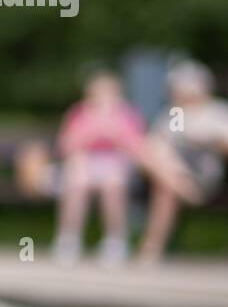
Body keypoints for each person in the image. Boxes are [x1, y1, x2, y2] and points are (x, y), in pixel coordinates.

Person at [51, 70, 147, 265]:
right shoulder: (78, 113)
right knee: (77, 182)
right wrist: (90, 133)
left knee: (112, 184)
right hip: (84, 163)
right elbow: (65, 147)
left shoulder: (128, 115)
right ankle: (69, 239)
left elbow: (138, 149)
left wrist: (115, 133)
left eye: (108, 93)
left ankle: (116, 241)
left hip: (117, 164)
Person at [136, 60, 228, 263]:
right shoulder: (176, 113)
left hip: (205, 174)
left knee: (164, 187)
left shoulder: (217, 111)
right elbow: (170, 142)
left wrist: (207, 140)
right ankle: (185, 189)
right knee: (157, 161)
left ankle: (151, 248)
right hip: (178, 170)